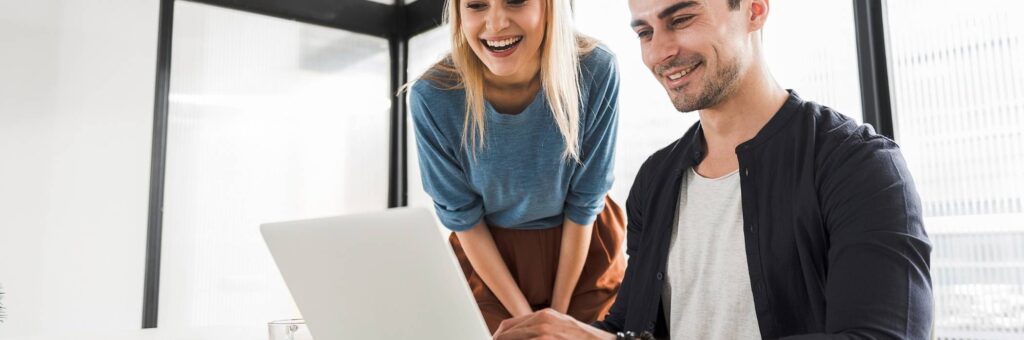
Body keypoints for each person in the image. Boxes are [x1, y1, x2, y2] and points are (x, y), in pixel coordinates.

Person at [493, 0, 933, 339]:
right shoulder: (655, 180)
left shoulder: (861, 168)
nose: (660, 52)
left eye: (682, 19)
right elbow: (634, 324)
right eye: (645, 31)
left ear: (755, 10)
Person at [408, 0, 626, 334]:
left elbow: (585, 203)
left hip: (583, 248)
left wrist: (558, 317)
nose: (495, 24)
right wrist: (529, 321)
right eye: (477, 5)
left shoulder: (596, 69)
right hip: (490, 260)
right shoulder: (432, 95)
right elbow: (464, 218)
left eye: (515, 1)